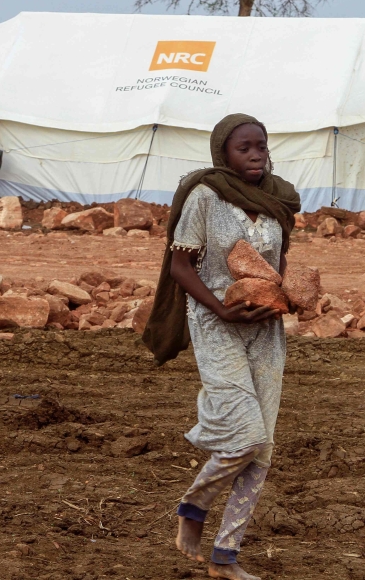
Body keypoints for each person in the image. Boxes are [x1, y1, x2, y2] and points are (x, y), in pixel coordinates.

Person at [142, 113, 301, 580]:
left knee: (262, 449)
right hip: (217, 325)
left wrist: (289, 294)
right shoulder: (205, 196)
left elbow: (277, 261)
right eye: (243, 147)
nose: (255, 155)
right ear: (223, 154)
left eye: (261, 146)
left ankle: (225, 556)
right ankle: (194, 506)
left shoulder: (277, 198)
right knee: (246, 436)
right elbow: (181, 267)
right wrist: (221, 309)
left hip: (265, 330)